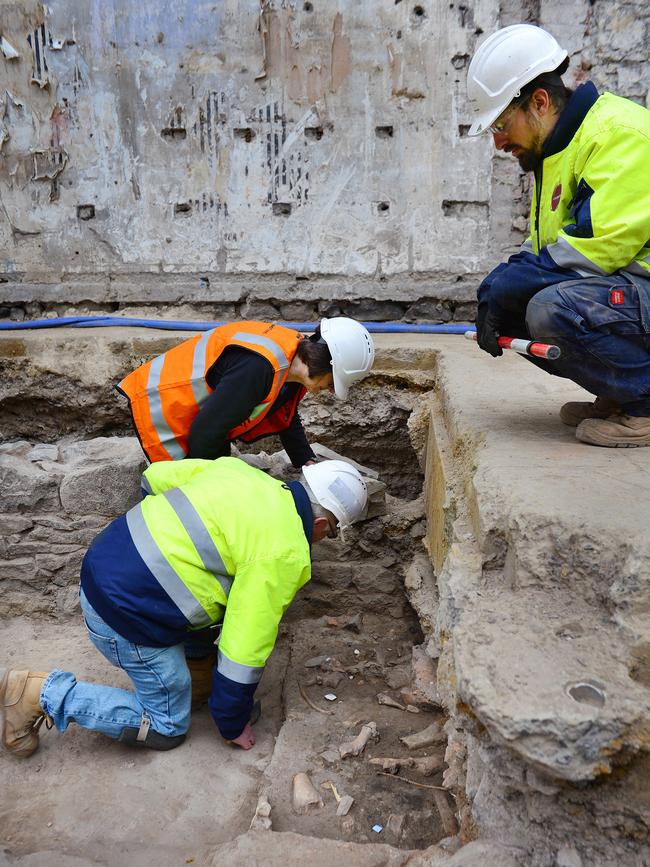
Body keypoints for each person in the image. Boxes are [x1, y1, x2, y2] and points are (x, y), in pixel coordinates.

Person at [0, 456, 368, 757]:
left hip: (101, 563)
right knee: (167, 727)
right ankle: (38, 694)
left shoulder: (241, 473)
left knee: (211, 593)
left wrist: (160, 552)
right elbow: (243, 649)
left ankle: (195, 672)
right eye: (332, 532)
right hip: (123, 618)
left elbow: (154, 478)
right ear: (320, 524)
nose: (325, 538)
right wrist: (231, 722)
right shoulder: (286, 551)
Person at [467, 24, 650, 447]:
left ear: (540, 102)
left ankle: (644, 402)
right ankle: (620, 394)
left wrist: (508, 287)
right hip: (637, 295)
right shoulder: (558, 151)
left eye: (499, 124)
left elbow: (594, 250)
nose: (497, 142)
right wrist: (496, 287)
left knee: (552, 309)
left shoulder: (618, 136)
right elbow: (543, 250)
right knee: (514, 308)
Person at [117, 318, 375, 467]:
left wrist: (305, 460)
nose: (329, 391)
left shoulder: (290, 359)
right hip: (167, 408)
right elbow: (207, 431)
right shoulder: (258, 367)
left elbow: (285, 414)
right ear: (325, 364)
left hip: (199, 416)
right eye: (332, 383)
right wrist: (210, 481)